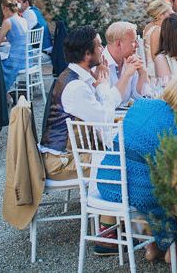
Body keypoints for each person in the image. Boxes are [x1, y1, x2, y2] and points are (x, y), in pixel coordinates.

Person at [97, 74, 177, 262]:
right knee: (170, 193)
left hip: (108, 179)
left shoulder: (140, 105)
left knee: (151, 179)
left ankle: (152, 246)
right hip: (134, 188)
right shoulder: (175, 127)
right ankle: (172, 247)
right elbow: (174, 177)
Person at [40, 25, 127, 180]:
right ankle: (112, 202)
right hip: (61, 162)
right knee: (125, 161)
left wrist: (98, 81)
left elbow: (103, 111)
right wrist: (103, 86)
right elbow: (105, 120)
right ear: (87, 54)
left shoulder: (77, 76)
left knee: (125, 151)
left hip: (71, 154)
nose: (103, 48)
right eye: (99, 45)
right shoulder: (76, 87)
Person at [102, 22, 149, 105]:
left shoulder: (130, 60)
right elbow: (106, 102)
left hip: (124, 116)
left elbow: (142, 97)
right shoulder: (99, 64)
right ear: (118, 44)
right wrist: (126, 75)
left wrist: (143, 73)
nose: (137, 45)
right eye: (133, 41)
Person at [0, 0, 29, 91]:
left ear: (5, 8)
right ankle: (6, 95)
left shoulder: (8, 21)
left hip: (16, 61)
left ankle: (2, 94)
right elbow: (18, 37)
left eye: (2, 9)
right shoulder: (23, 19)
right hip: (26, 58)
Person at [142, 0, 172, 78]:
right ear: (161, 15)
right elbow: (155, 56)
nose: (171, 16)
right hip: (155, 71)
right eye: (169, 13)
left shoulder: (149, 26)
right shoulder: (157, 30)